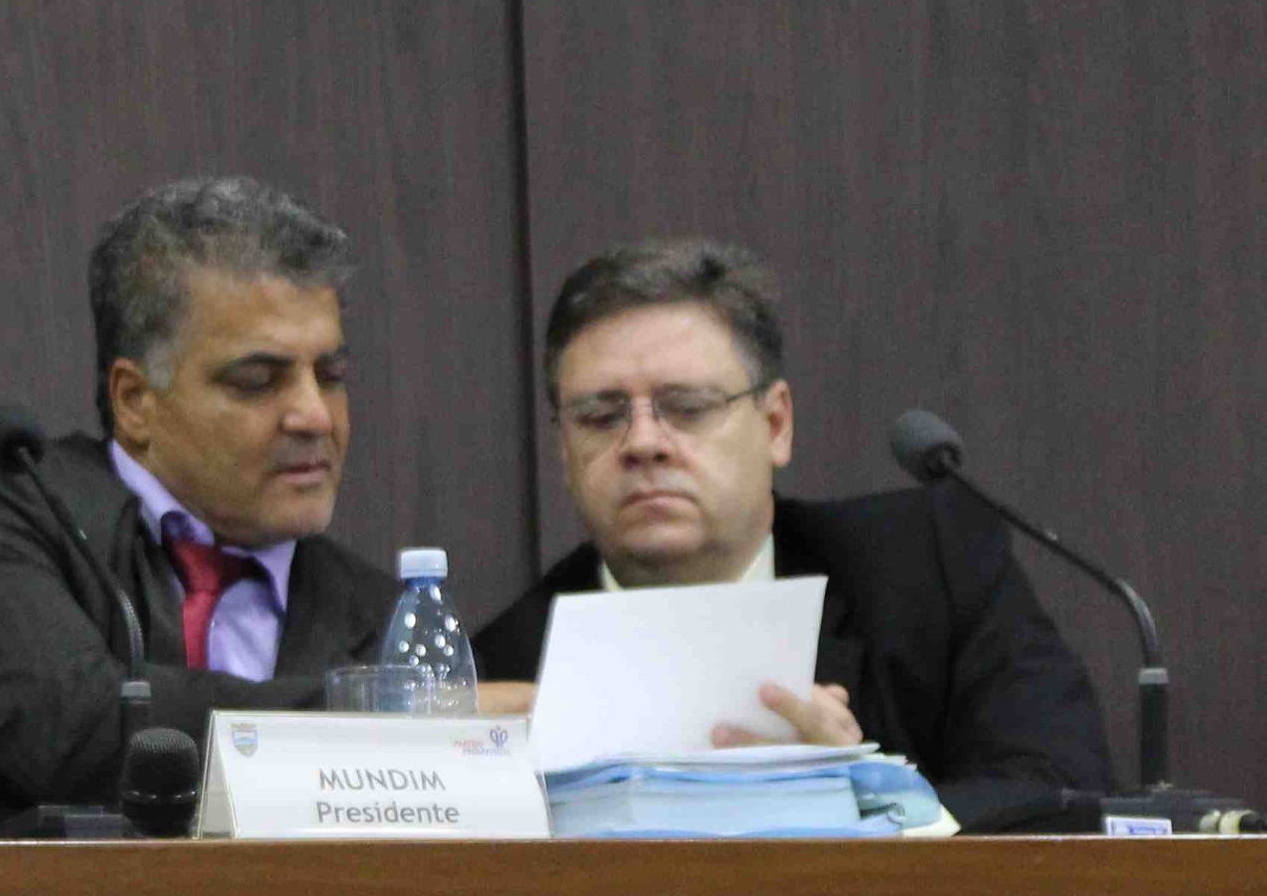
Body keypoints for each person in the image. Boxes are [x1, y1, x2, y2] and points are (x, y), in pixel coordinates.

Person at [0, 177, 405, 837]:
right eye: (257, 381)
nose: (315, 416)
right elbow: (82, 735)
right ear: (135, 400)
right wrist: (398, 722)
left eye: (331, 377)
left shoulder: (384, 619)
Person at [471, 240, 1111, 824]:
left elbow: (1064, 789)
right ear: (563, 451)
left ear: (775, 424)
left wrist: (862, 805)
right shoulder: (502, 674)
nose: (642, 442)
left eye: (687, 407)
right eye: (600, 417)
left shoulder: (925, 572)